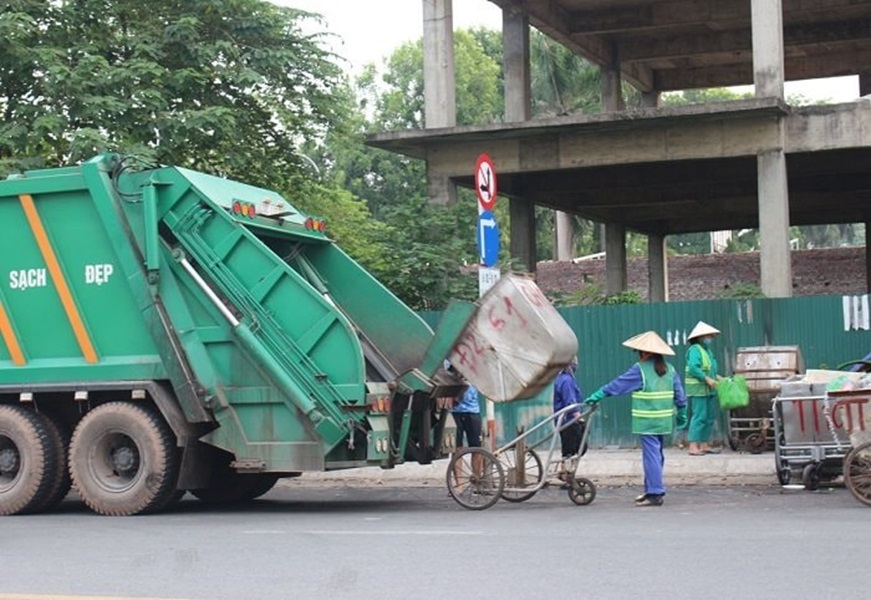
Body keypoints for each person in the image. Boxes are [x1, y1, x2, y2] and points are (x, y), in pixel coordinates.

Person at [584, 331, 688, 507]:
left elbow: (618, 385)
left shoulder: (640, 370)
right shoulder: (670, 369)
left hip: (647, 421)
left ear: (645, 353)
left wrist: (598, 394)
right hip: (664, 421)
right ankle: (652, 489)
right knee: (657, 455)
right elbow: (680, 394)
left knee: (651, 457)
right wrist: (682, 413)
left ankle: (655, 493)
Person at [685, 321, 723, 456]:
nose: (711, 338)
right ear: (701, 337)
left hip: (709, 389)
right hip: (699, 389)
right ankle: (693, 446)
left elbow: (710, 370)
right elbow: (694, 368)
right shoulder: (695, 350)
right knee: (699, 416)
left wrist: (718, 378)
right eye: (709, 336)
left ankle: (704, 444)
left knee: (709, 417)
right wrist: (707, 379)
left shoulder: (707, 351)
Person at [553, 356, 586, 481]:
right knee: (572, 448)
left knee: (572, 448)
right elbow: (570, 400)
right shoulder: (566, 380)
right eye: (574, 363)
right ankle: (565, 473)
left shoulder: (566, 379)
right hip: (567, 420)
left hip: (566, 419)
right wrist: (578, 416)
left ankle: (565, 471)